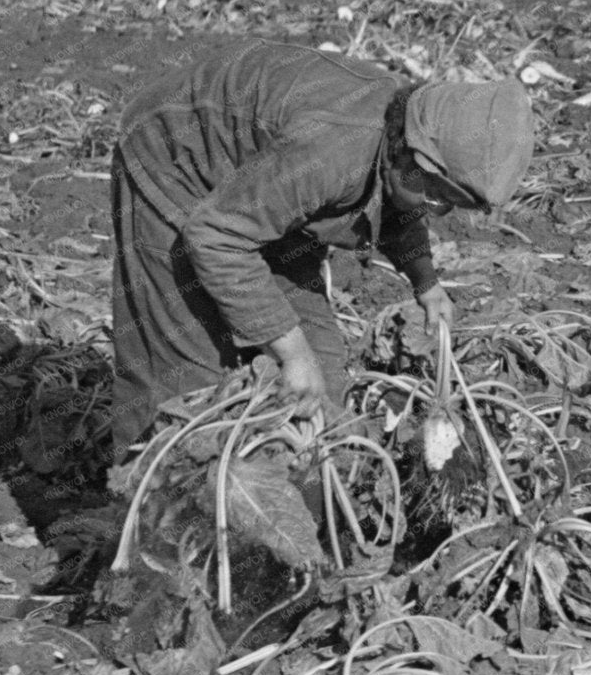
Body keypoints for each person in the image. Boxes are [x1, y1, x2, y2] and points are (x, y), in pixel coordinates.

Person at [108, 42, 534, 457]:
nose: (434, 212)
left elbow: (399, 203)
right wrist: (290, 353)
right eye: (437, 200)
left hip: (265, 190)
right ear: (411, 157)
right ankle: (150, 498)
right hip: (176, 164)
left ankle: (305, 493)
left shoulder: (401, 133)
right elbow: (217, 236)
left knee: (323, 379)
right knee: (189, 380)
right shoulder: (332, 149)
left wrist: (424, 280)